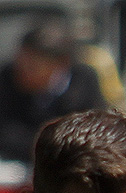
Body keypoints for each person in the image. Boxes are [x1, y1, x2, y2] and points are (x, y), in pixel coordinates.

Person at [0, 18, 107, 164]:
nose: (22, 72)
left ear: (62, 63)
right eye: (19, 62)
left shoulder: (83, 81)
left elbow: (93, 131)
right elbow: (5, 131)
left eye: (32, 67)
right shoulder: (7, 78)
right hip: (18, 163)